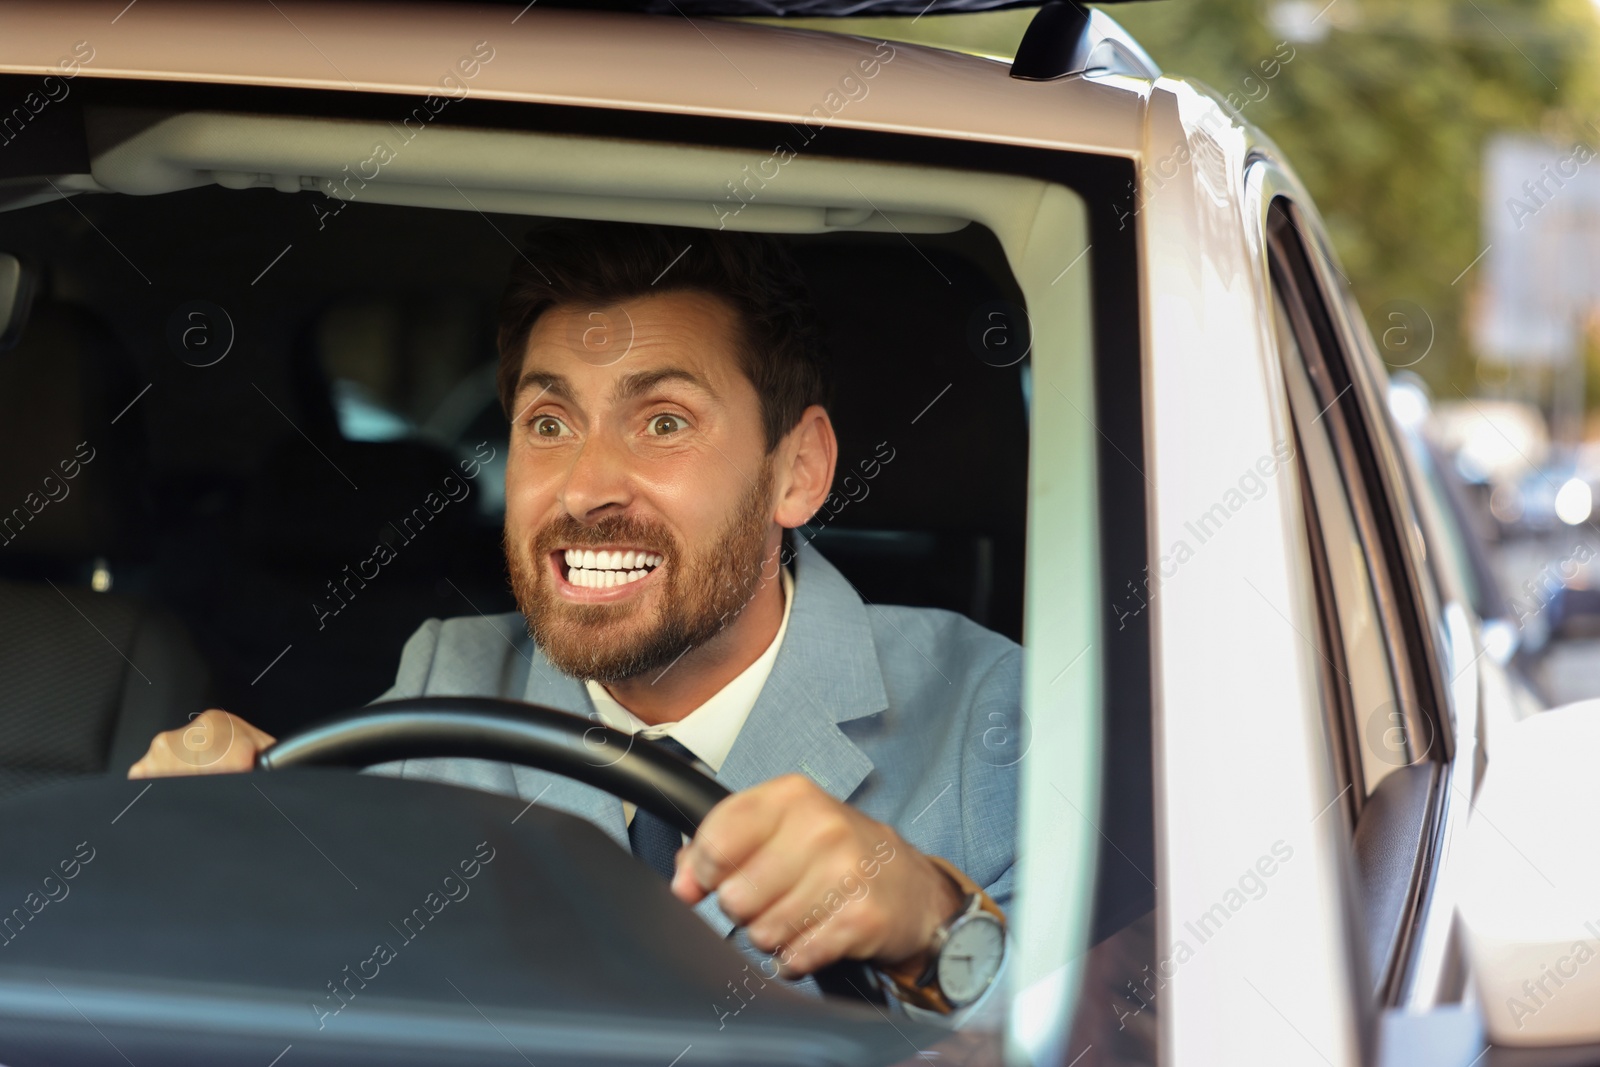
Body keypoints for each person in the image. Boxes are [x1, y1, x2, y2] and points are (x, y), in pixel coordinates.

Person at [130, 221, 1022, 1019]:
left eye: (663, 421)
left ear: (798, 469)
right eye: (549, 423)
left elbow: (1120, 1029)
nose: (587, 486)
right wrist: (211, 845)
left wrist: (935, 927)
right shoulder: (447, 679)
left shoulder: (990, 712)